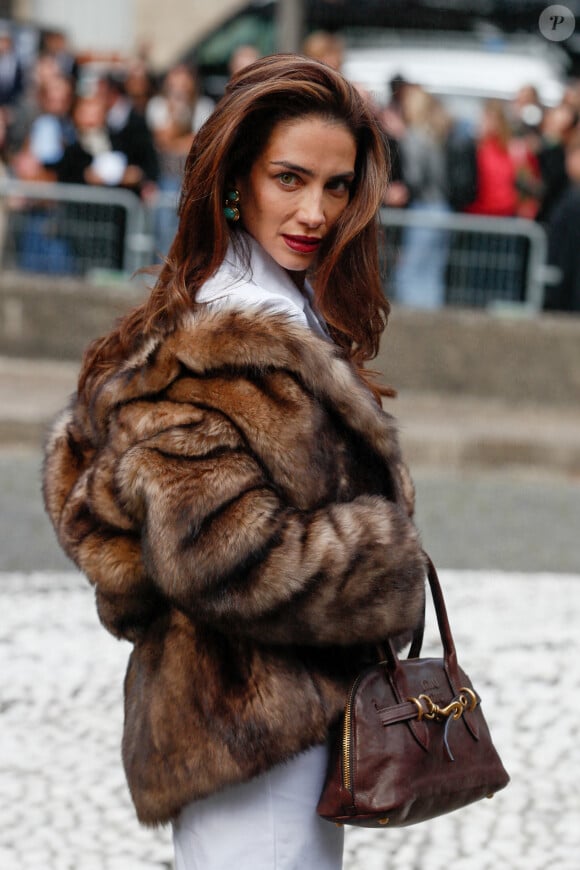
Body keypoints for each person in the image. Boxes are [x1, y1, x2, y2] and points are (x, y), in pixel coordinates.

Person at [42, 55, 426, 870]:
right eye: (288, 179)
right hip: (250, 730)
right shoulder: (231, 331)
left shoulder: (278, 312)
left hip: (269, 719)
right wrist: (383, 565)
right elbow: (217, 552)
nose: (314, 211)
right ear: (235, 179)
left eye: (336, 185)